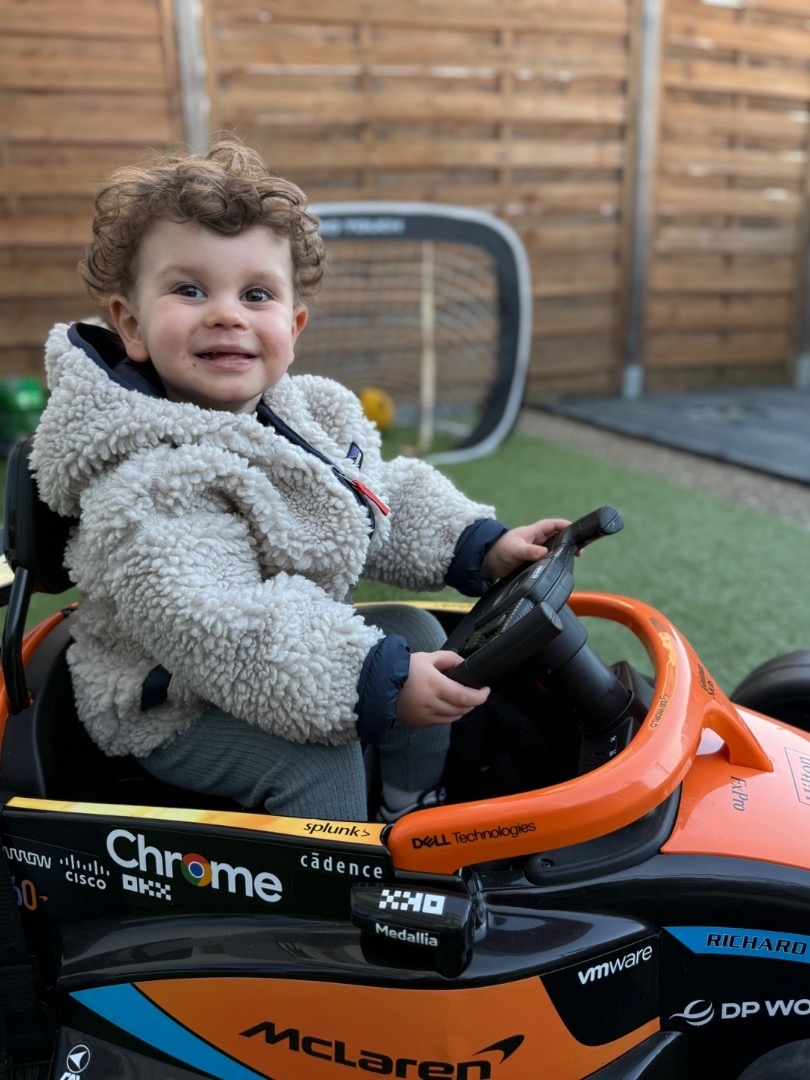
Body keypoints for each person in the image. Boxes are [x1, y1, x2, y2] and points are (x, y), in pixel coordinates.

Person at [31, 134, 569, 822]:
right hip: (174, 699)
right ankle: (335, 882)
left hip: (283, 658)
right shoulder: (147, 481)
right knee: (319, 761)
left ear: (294, 325)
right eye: (190, 290)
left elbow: (379, 494)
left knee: (419, 634)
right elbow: (222, 625)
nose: (227, 313)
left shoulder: (307, 412)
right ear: (132, 326)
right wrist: (369, 677)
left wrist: (480, 544)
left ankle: (410, 810)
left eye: (256, 294)